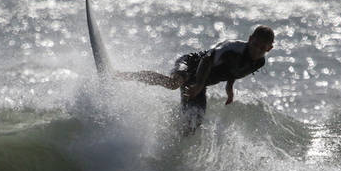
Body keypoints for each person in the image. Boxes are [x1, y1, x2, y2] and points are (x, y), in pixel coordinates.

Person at [118, 25, 275, 133]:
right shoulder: (232, 48)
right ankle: (124, 76)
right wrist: (200, 84)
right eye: (255, 44)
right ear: (250, 39)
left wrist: (229, 88)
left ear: (269, 48)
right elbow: (207, 58)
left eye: (262, 48)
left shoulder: (259, 61)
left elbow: (235, 70)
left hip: (199, 82)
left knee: (193, 124)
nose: (257, 50)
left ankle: (167, 137)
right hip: (191, 64)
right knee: (173, 83)